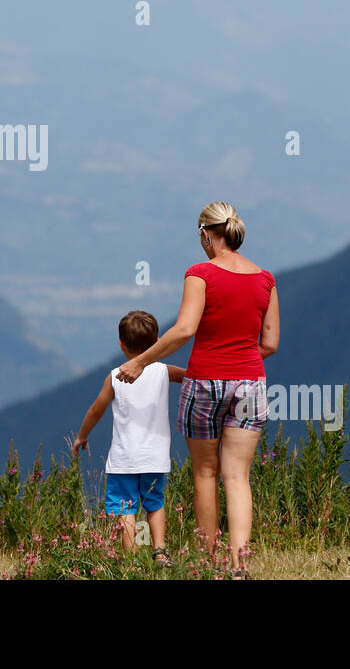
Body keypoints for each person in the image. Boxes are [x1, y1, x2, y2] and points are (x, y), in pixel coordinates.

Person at [116, 202, 279, 578]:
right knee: (237, 476)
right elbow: (269, 343)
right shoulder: (265, 279)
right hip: (250, 383)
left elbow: (185, 329)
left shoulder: (200, 273)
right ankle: (240, 565)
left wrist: (140, 361)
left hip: (204, 381)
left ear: (206, 234)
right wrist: (239, 359)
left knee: (205, 473)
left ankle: (209, 562)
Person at [73, 310, 186, 564]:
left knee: (125, 508)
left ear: (121, 344)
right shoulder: (164, 371)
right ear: (157, 343)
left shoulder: (115, 377)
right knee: (154, 503)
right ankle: (159, 550)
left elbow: (95, 410)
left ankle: (131, 557)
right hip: (155, 457)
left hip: (124, 459)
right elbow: (191, 376)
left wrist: (82, 436)